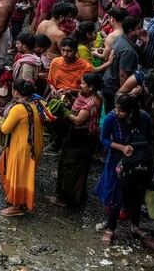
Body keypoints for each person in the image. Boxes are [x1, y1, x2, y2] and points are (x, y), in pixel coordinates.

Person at [97, 93, 154, 245]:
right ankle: (110, 228)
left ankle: (135, 225)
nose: (117, 112)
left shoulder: (144, 118)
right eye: (116, 109)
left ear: (131, 111)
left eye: (121, 111)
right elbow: (103, 139)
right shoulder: (112, 118)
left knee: (137, 193)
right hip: (118, 160)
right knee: (116, 194)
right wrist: (122, 147)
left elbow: (149, 140)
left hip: (139, 162)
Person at [49, 71, 103, 208]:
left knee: (71, 167)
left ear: (91, 87)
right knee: (77, 167)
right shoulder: (90, 96)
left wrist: (64, 110)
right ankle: (78, 196)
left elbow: (78, 120)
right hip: (80, 136)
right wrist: (70, 97)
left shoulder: (92, 102)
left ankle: (65, 198)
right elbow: (78, 106)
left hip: (81, 137)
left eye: (83, 83)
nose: (81, 85)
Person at [0, 79, 46, 217]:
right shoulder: (37, 103)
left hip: (22, 148)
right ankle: (18, 200)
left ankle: (17, 206)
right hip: (34, 145)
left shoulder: (18, 108)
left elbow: (5, 129)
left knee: (18, 175)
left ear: (16, 91)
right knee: (25, 174)